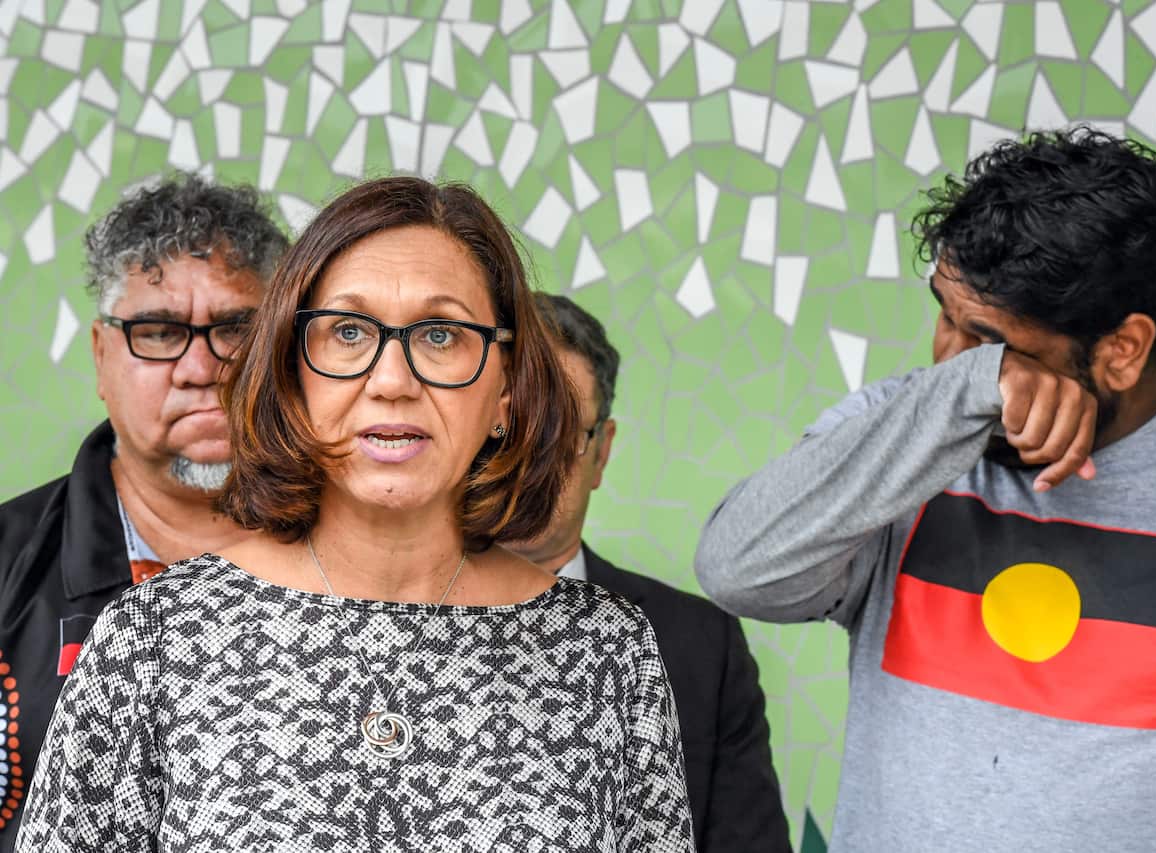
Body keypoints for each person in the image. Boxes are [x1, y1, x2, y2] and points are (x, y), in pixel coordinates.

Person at [17, 176, 694, 851]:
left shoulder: (607, 652)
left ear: (505, 391)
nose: (392, 380)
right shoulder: (155, 638)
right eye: (348, 331)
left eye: (440, 334)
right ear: (291, 374)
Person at [694, 127, 1156, 851]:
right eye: (944, 315)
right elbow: (737, 570)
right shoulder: (908, 430)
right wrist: (973, 385)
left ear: (1122, 350)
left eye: (989, 341)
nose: (949, 357)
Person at [0, 174, 287, 850]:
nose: (201, 367)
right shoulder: (7, 568)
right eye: (158, 332)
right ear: (102, 356)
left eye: (236, 328)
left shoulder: (373, 559)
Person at [504, 293, 792, 853]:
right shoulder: (390, 623)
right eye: (512, 430)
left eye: (560, 436)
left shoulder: (701, 646)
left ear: (601, 452)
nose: (531, 464)